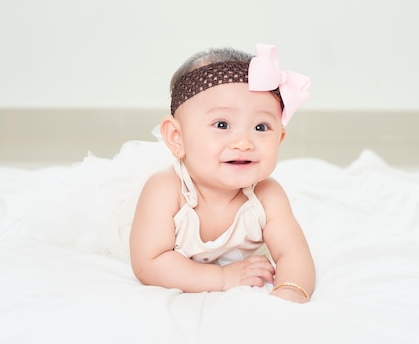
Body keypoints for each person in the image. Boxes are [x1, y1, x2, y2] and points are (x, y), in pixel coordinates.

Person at [129, 43, 315, 303]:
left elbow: (293, 253)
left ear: (280, 139)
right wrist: (223, 277)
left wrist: (291, 289)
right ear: (177, 137)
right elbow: (149, 264)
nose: (243, 143)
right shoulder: (166, 189)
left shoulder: (267, 195)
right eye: (222, 124)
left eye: (261, 127)